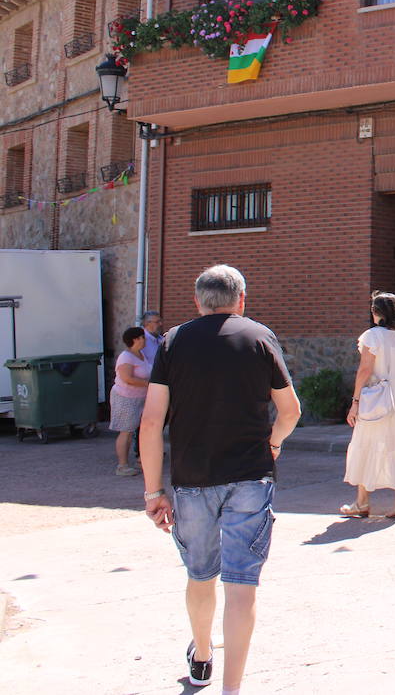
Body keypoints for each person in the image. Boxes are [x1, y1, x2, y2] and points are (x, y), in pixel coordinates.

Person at [139, 264, 300, 693]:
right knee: (242, 586)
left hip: (193, 479)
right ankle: (233, 689)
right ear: (241, 299)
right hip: (251, 475)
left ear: (197, 301)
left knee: (200, 574)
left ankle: (203, 655)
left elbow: (151, 422)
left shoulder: (172, 342)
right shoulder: (259, 337)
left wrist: (154, 491)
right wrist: (275, 444)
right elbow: (291, 411)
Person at [341, 293, 395, 519]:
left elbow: (365, 370)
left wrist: (355, 401)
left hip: (379, 395)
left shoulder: (373, 336)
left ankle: (362, 502)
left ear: (379, 313)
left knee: (367, 443)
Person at [111, 326, 151, 477]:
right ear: (136, 339)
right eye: (142, 337)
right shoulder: (126, 357)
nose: (144, 340)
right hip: (126, 398)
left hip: (140, 398)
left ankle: (138, 461)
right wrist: (149, 384)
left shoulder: (140, 354)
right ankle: (122, 465)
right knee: (126, 431)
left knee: (134, 431)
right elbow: (127, 378)